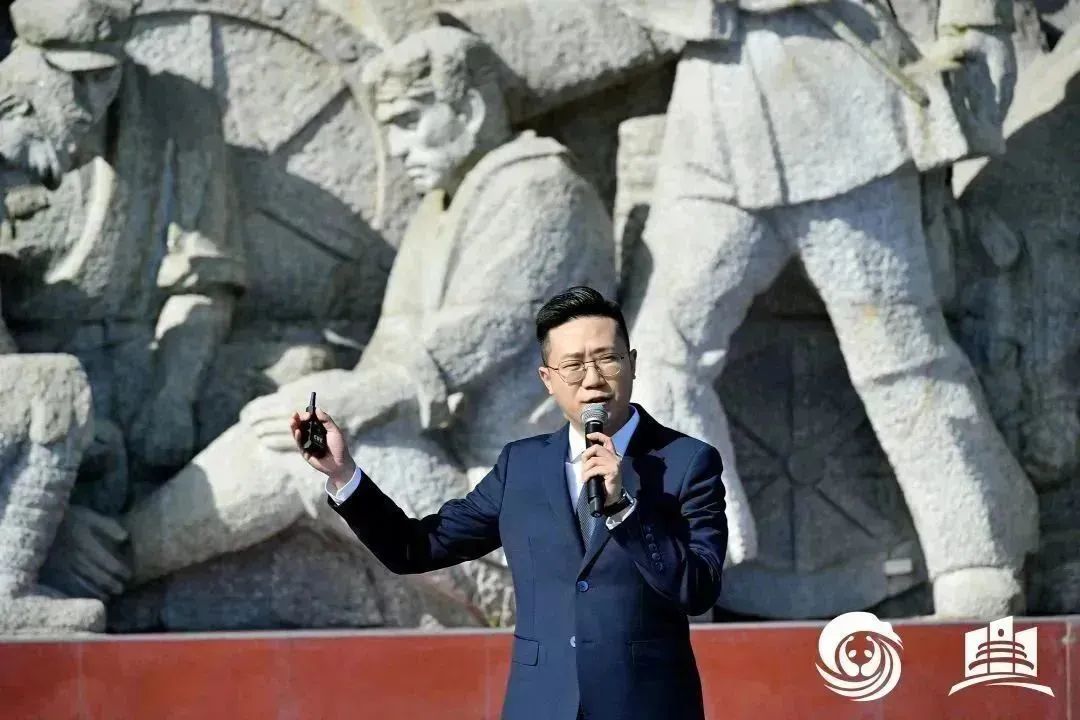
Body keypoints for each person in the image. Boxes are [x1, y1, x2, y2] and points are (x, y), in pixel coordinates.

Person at [119, 27, 615, 627]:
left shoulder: (542, 191)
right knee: (250, 577)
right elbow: (394, 346)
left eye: (409, 121)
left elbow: (491, 323)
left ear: (470, 109)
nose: (398, 148)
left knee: (300, 447)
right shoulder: (445, 207)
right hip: (461, 509)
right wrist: (343, 390)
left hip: (525, 538)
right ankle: (116, 593)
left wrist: (361, 397)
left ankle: (113, 560)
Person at [618, 0, 1039, 616]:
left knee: (899, 356)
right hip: (718, 123)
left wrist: (977, 27)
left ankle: (978, 551)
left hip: (848, 115)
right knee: (657, 358)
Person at [294, 286, 726, 720]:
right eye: (573, 366)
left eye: (606, 359)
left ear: (631, 363)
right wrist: (342, 473)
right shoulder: (522, 466)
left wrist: (624, 511)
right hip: (540, 705)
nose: (592, 378)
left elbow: (699, 589)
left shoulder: (687, 462)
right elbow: (415, 548)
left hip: (646, 705)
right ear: (548, 379)